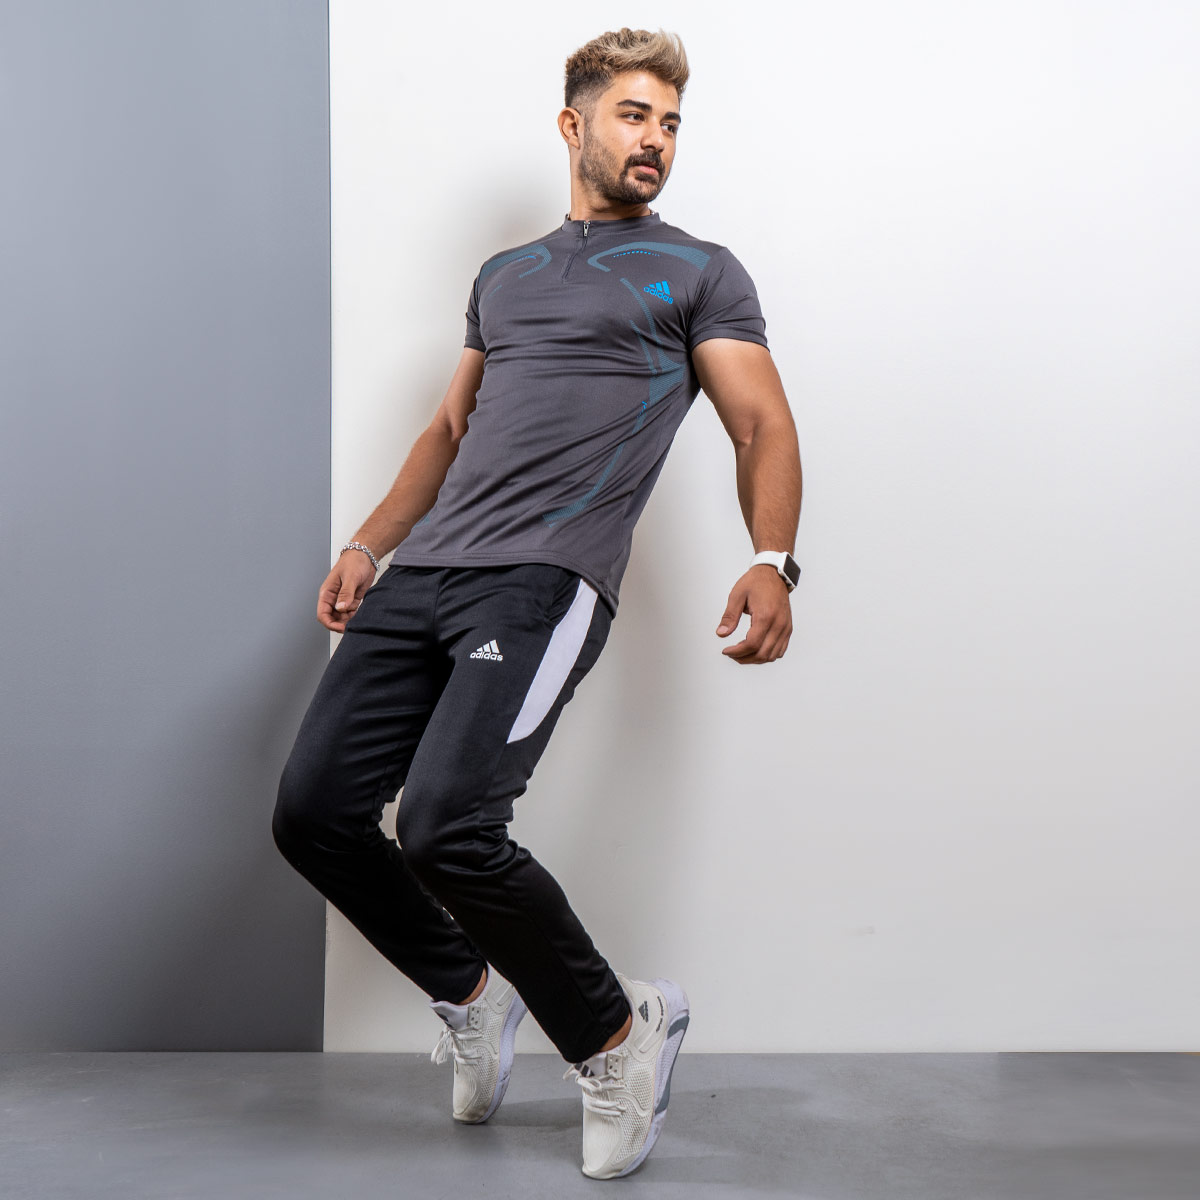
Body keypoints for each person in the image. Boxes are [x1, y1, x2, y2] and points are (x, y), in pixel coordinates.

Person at [272, 26, 802, 1181]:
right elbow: (447, 428)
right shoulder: (504, 276)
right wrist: (368, 543)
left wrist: (773, 557)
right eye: (633, 114)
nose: (655, 138)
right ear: (574, 125)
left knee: (448, 825)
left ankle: (615, 1038)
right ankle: (470, 991)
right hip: (425, 575)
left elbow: (760, 422)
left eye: (670, 122)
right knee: (312, 813)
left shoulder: (700, 271)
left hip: (543, 579)